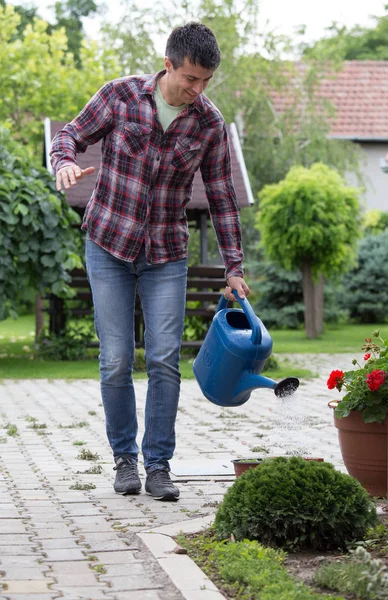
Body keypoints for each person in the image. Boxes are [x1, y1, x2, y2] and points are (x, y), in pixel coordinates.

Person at [50, 21, 250, 501]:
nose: (197, 90)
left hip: (165, 252)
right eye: (190, 79)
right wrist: (64, 162)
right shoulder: (120, 97)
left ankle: (158, 465)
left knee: (163, 359)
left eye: (205, 82)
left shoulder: (209, 123)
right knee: (116, 359)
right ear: (168, 64)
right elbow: (70, 135)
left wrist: (234, 268)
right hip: (108, 244)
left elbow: (222, 198)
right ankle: (124, 460)